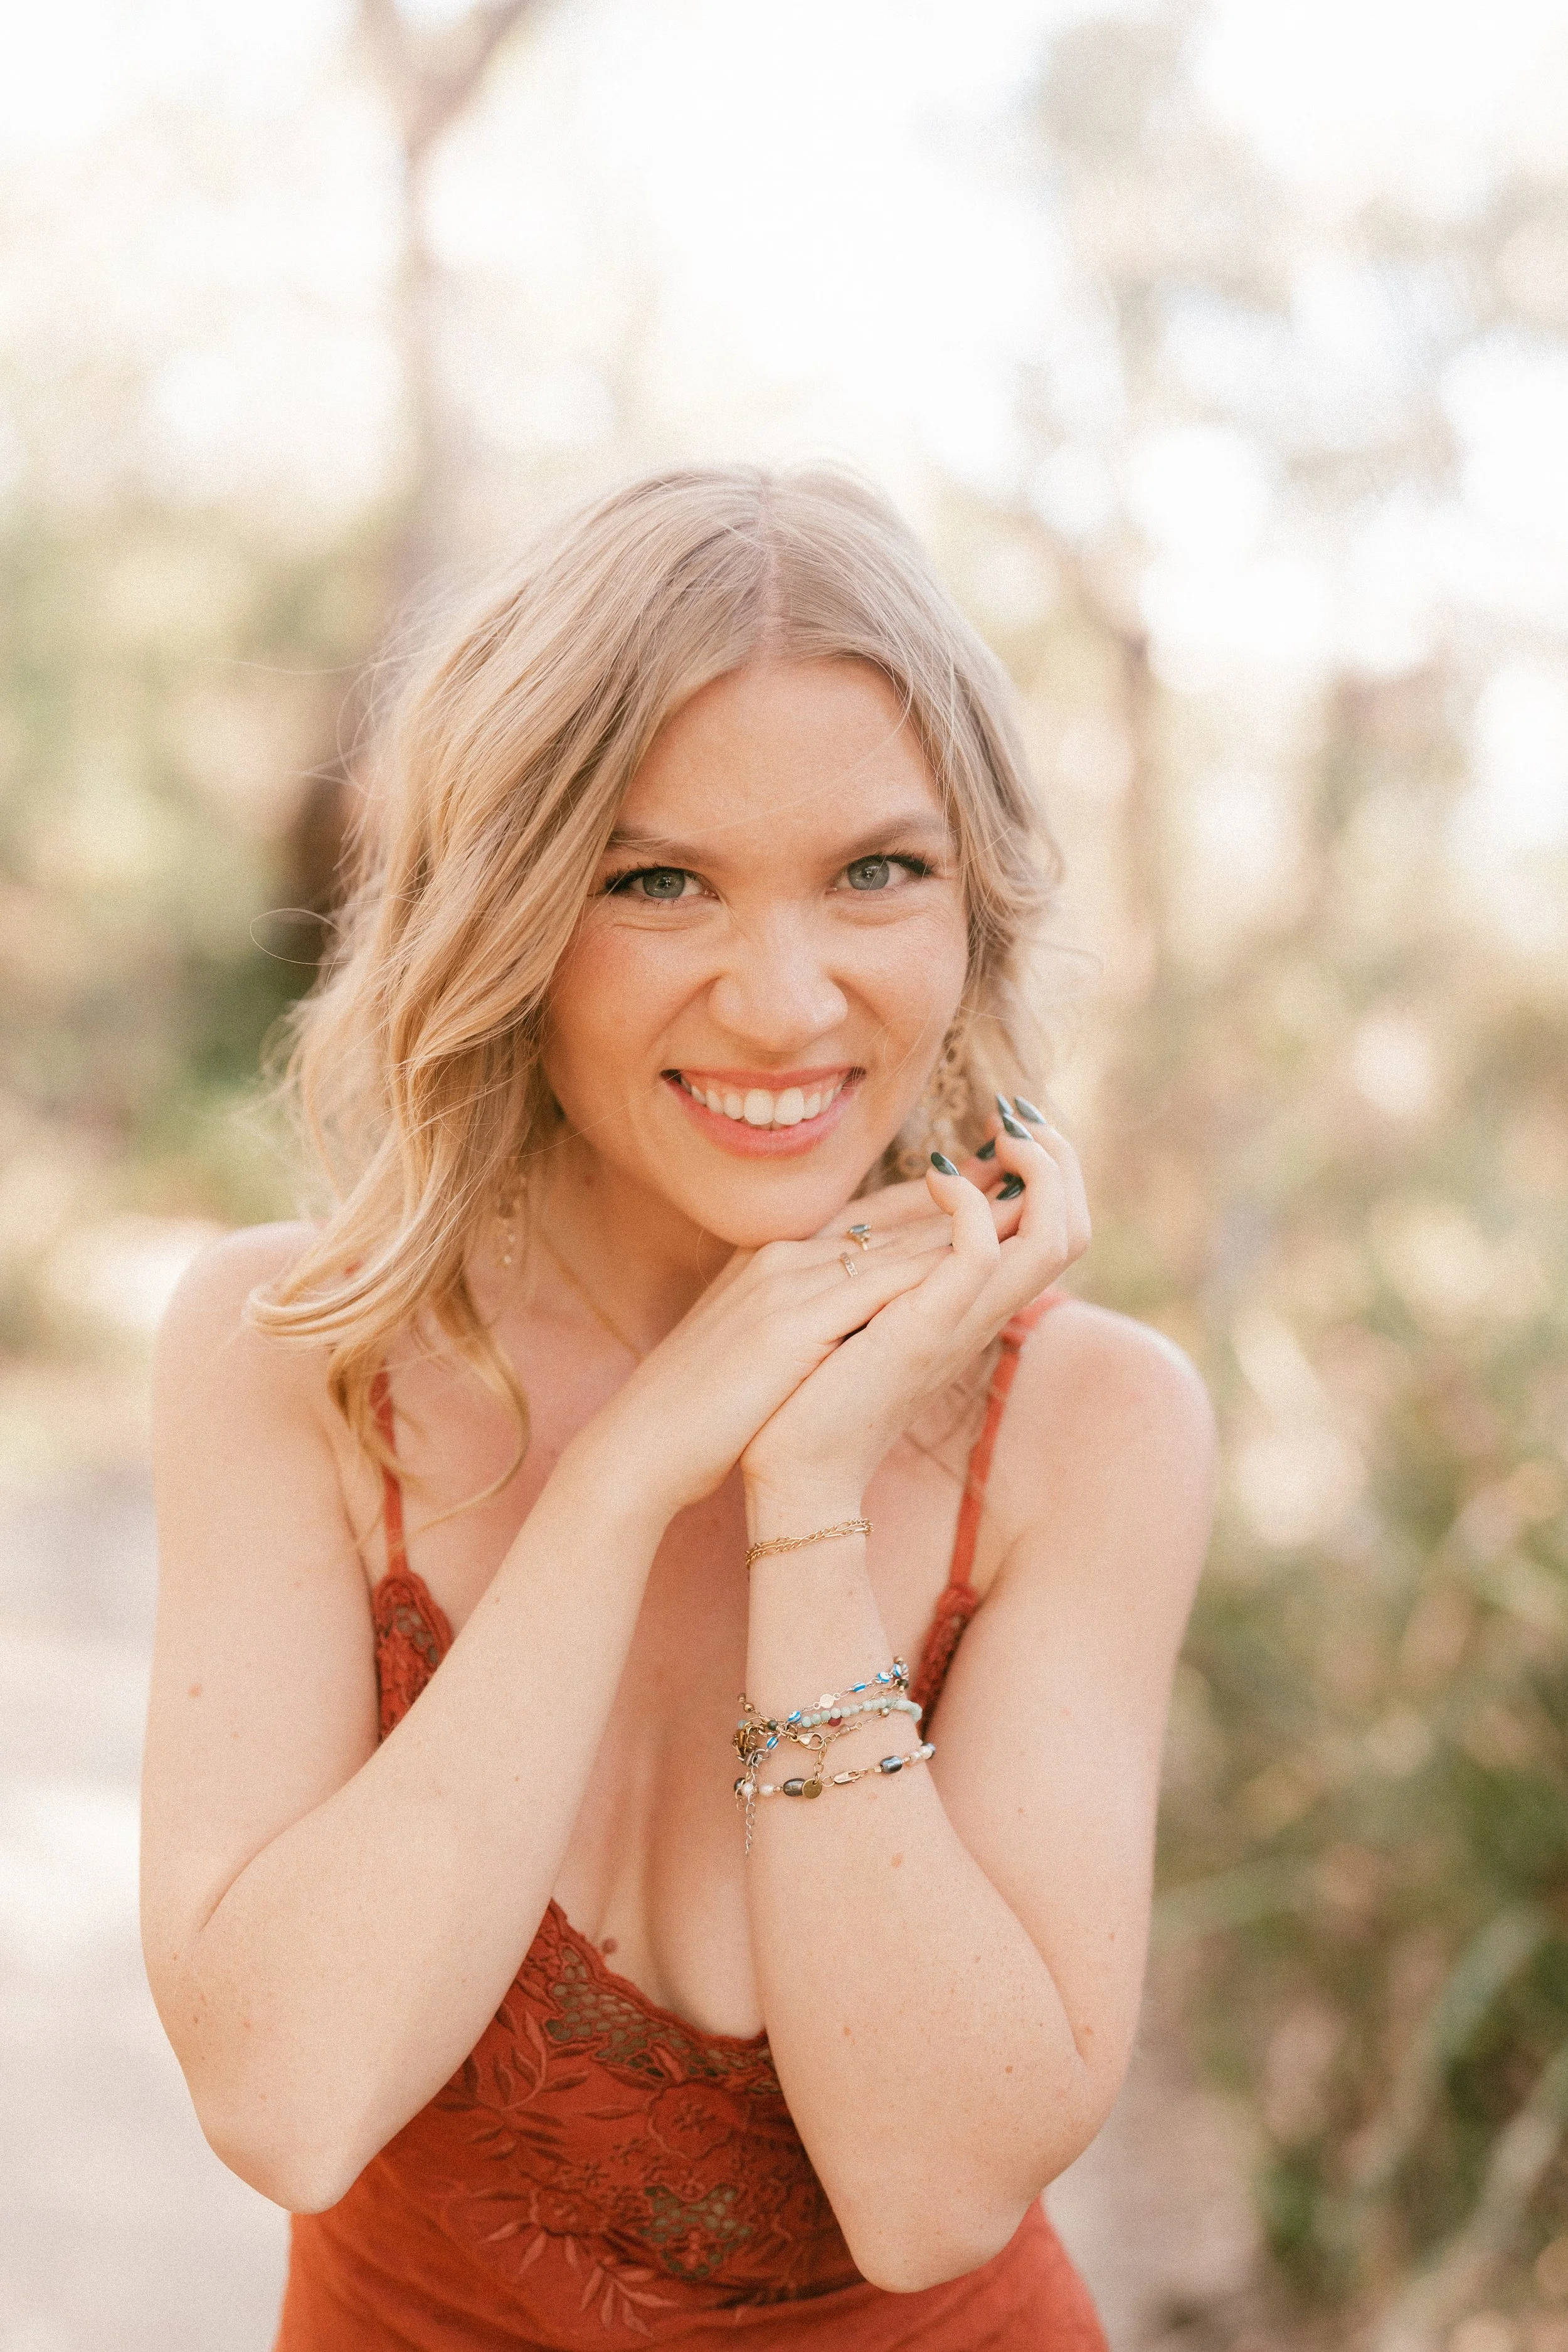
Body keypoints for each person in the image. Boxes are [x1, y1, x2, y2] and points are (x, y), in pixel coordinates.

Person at [140, 466, 1215, 2350]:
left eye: (878, 869)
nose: (787, 999)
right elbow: (288, 2100)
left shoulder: (1092, 1428)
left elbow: (930, 2187)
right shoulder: (287, 1347)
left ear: (973, 898)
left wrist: (802, 1491)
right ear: (512, 911)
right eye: (657, 882)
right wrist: (628, 1473)